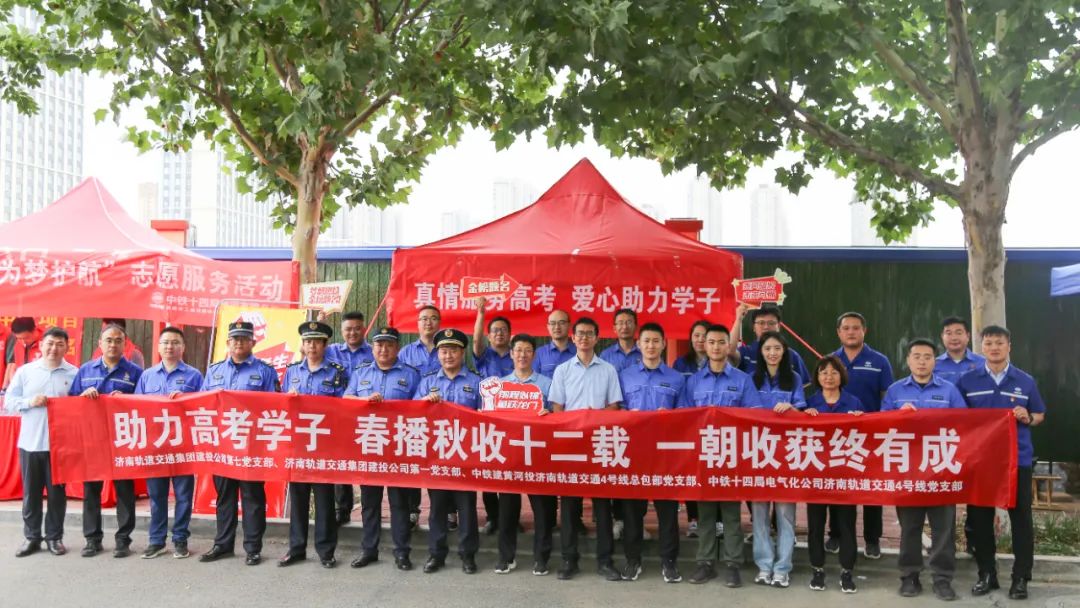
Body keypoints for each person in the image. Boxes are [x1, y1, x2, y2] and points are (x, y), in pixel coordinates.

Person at [957, 325, 1046, 601]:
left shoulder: (1025, 381)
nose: (994, 348)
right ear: (981, 347)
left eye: (999, 342)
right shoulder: (968, 381)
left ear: (1009, 346)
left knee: (1021, 520)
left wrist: (1027, 417)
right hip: (980, 461)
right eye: (989, 343)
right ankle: (987, 574)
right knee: (980, 520)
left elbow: (1039, 414)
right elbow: (957, 418)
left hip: (1017, 460)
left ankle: (1021, 577)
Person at [678, 323, 762, 588]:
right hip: (702, 455)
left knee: (731, 513)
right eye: (711, 342)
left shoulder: (742, 380)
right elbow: (683, 416)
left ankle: (733, 564)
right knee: (705, 513)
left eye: (721, 342)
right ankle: (705, 563)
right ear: (704, 345)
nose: (715, 347)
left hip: (731, 454)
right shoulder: (693, 381)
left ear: (729, 346)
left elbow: (754, 414)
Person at [881, 338, 965, 600]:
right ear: (908, 360)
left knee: (943, 529)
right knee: (910, 528)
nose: (921, 361)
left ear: (934, 361)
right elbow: (880, 426)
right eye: (916, 356)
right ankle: (909, 576)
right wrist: (897, 416)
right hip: (908, 472)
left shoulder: (949, 391)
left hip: (941, 470)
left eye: (927, 357)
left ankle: (942, 579)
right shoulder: (895, 391)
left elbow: (966, 424)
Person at [199, 321, 280, 566]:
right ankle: (223, 545)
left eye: (244, 339)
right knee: (225, 497)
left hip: (251, 445)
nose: (239, 343)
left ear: (253, 342)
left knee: (252, 497)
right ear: (228, 343)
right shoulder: (214, 371)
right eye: (235, 339)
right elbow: (202, 403)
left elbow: (275, 408)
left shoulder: (265, 371)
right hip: (222, 445)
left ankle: (253, 548)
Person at [548, 316, 622, 582]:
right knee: (569, 505)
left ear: (597, 338)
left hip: (599, 442)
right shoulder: (563, 370)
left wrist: (594, 417)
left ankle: (605, 561)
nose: (584, 338)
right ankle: (570, 560)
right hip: (571, 443)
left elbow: (615, 406)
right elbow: (557, 408)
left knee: (602, 505)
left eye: (589, 333)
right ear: (573, 337)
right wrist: (575, 423)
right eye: (580, 333)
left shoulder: (608, 370)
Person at [344, 326, 422, 571]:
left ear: (397, 348)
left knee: (399, 503)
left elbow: (420, 407)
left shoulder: (411, 374)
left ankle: (402, 552)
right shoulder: (361, 373)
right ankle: (369, 550)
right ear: (373, 348)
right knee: (370, 502)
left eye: (389, 345)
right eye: (379, 344)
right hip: (370, 445)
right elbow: (346, 399)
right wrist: (364, 400)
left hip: (398, 447)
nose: (384, 349)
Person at [617, 322, 684, 583]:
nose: (651, 345)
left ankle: (669, 561)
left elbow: (686, 415)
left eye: (656, 341)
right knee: (632, 510)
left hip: (665, 453)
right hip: (633, 451)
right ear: (639, 344)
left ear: (664, 344)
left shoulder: (676, 378)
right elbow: (616, 410)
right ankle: (633, 560)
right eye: (646, 341)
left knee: (667, 510)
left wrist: (671, 417)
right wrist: (627, 415)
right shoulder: (625, 376)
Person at [279, 321, 349, 569]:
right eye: (308, 342)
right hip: (298, 445)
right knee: (298, 499)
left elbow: (344, 407)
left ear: (325, 345)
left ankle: (325, 551)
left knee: (324, 500)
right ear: (303, 345)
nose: (312, 346)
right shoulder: (292, 372)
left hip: (324, 445)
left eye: (317, 342)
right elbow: (281, 405)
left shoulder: (337, 373)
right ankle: (296, 548)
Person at [69, 323, 143, 558]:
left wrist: (128, 400)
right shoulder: (85, 370)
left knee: (125, 491)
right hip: (93, 439)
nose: (113, 344)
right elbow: (70, 403)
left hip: (123, 439)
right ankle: (92, 540)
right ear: (100, 343)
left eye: (118, 340)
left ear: (125, 344)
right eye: (108, 340)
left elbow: (145, 405)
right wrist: (82, 397)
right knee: (91, 490)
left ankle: (123, 540)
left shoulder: (135, 372)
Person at [414, 328, 483, 575]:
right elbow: (412, 413)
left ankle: (468, 555)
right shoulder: (428, 382)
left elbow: (486, 417)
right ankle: (436, 554)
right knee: (438, 508)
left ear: (462, 352)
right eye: (443, 351)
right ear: (438, 354)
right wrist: (425, 402)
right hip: (437, 454)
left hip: (466, 454)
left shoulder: (476, 382)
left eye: (453, 350)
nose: (448, 355)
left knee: (467, 507)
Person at [5, 327, 77, 557]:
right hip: (31, 444)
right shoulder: (26, 371)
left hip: (60, 447)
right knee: (31, 494)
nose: (54, 348)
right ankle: (31, 537)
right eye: (50, 343)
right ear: (42, 345)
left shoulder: (74, 374)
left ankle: (54, 538)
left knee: (57, 496)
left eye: (59, 344)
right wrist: (29, 402)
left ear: (66, 347)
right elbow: (9, 401)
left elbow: (80, 408)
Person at [487, 333, 554, 575]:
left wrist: (549, 415)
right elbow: (491, 419)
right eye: (518, 350)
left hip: (539, 454)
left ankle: (542, 558)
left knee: (543, 510)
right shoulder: (500, 385)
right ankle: (506, 557)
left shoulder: (546, 384)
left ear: (533, 355)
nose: (522, 355)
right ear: (511, 354)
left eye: (527, 350)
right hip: (510, 455)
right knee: (507, 510)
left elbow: (559, 415)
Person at [135, 327, 203, 559]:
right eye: (165, 343)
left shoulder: (194, 376)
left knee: (183, 496)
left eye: (175, 343)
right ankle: (156, 541)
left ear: (183, 347)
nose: (169, 347)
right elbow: (135, 407)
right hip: (155, 445)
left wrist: (187, 400)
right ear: (158, 347)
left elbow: (203, 408)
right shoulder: (147, 376)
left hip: (183, 446)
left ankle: (180, 539)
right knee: (157, 496)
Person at [830, 311, 893, 559]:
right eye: (846, 328)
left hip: (870, 435)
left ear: (864, 331)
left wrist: (881, 424)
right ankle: (836, 534)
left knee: (871, 488)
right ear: (839, 332)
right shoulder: (831, 360)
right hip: (837, 435)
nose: (851, 332)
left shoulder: (879, 361)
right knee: (838, 488)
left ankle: (872, 539)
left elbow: (887, 398)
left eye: (856, 328)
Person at [801, 355, 864, 594]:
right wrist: (803, 417)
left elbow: (868, 435)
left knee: (846, 525)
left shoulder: (854, 402)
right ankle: (817, 569)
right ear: (817, 377)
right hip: (816, 474)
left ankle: (847, 572)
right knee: (816, 525)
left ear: (842, 376)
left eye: (834, 372)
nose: (829, 376)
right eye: (823, 372)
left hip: (844, 474)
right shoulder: (809, 403)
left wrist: (860, 420)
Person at [748, 331, 805, 589]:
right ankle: (764, 566)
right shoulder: (751, 379)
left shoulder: (793, 378)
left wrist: (791, 409)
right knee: (759, 514)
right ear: (761, 352)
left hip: (785, 455)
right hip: (758, 453)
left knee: (785, 515)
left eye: (777, 348)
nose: (772, 353)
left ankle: (782, 568)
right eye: (767, 348)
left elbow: (801, 411)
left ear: (784, 352)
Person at [325, 310, 375, 525]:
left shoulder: (374, 352)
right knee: (340, 460)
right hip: (339, 414)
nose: (352, 333)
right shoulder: (331, 351)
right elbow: (307, 351)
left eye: (357, 328)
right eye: (348, 329)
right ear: (341, 330)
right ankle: (342, 508)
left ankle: (369, 509)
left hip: (367, 416)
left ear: (364, 329)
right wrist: (319, 323)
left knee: (367, 460)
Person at [472, 296, 514, 535]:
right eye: (495, 330)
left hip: (512, 420)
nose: (499, 333)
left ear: (510, 334)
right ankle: (493, 517)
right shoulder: (484, 356)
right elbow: (476, 341)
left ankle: (509, 518)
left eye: (503, 330)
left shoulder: (517, 354)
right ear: (489, 336)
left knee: (511, 469)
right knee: (488, 469)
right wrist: (481, 314)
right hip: (486, 419)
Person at [673, 319, 711, 538]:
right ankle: (694, 519)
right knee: (691, 473)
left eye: (704, 336)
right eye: (696, 335)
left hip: (714, 429)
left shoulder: (718, 362)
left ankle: (716, 521)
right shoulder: (681, 364)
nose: (700, 340)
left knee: (713, 473)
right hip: (690, 427)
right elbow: (679, 394)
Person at [729, 304, 810, 383]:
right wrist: (738, 319)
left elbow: (801, 387)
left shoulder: (792, 355)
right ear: (754, 327)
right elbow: (729, 350)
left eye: (771, 323)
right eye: (761, 323)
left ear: (778, 326)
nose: (766, 327)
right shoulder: (746, 353)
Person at [934, 316, 985, 384]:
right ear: (942, 337)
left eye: (959, 333)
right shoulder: (933, 365)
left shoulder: (983, 363)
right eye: (949, 333)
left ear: (968, 336)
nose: (954, 338)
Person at [4, 317, 45, 390]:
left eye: (26, 338)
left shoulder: (47, 343)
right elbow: (14, 365)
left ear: (34, 330)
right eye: (19, 338)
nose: (23, 341)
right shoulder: (18, 343)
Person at [399, 305, 441, 374]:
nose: (428, 323)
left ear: (439, 323)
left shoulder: (447, 352)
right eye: (424, 319)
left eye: (433, 319)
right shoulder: (406, 352)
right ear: (418, 323)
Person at [533, 309, 576, 376]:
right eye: (553, 323)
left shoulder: (579, 352)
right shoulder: (539, 353)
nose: (557, 327)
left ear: (569, 325)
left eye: (561, 323)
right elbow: (533, 379)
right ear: (548, 326)